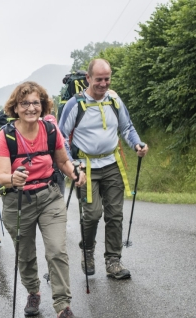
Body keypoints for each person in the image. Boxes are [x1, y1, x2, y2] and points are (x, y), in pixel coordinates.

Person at [0, 81, 87, 318]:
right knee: (25, 255)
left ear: (43, 105)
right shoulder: (6, 136)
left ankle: (63, 309)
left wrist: (75, 172)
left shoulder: (50, 130)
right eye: (25, 103)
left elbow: (63, 162)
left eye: (36, 102)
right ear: (16, 107)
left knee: (57, 250)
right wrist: (13, 178)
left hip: (48, 196)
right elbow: (0, 175)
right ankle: (33, 291)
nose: (31, 108)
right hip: (17, 200)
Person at [59, 59, 149, 279]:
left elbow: (127, 127)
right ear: (88, 78)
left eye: (107, 78)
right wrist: (71, 164)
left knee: (115, 214)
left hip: (111, 164)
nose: (103, 83)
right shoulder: (75, 104)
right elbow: (61, 137)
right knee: (91, 215)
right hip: (85, 167)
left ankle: (113, 261)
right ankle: (87, 251)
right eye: (98, 79)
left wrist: (137, 144)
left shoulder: (115, 100)